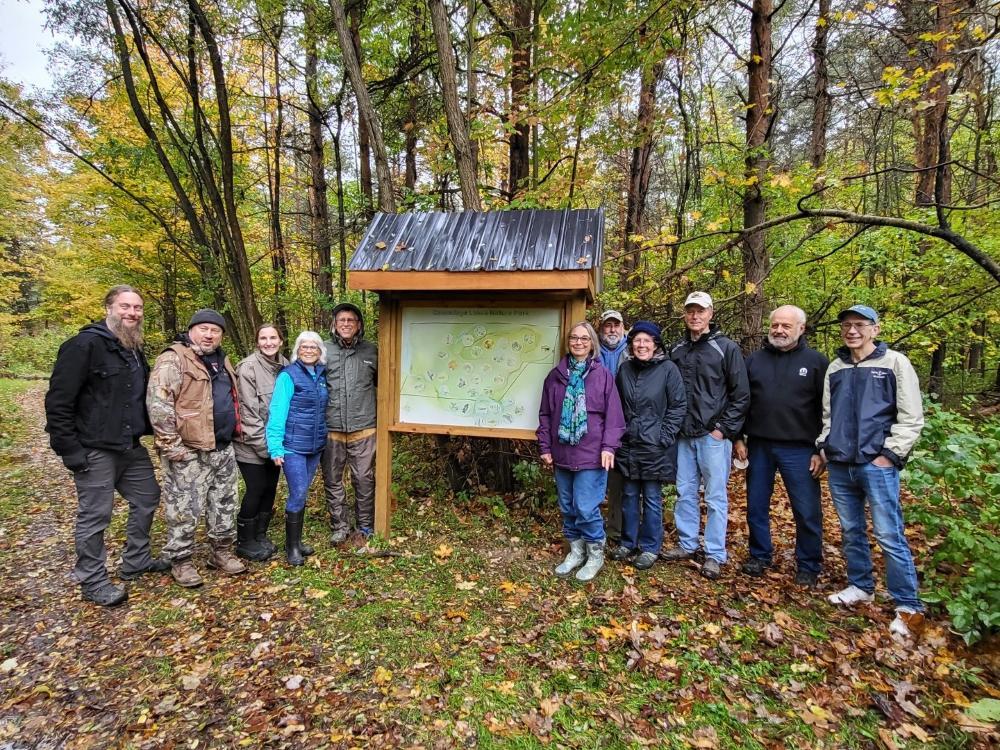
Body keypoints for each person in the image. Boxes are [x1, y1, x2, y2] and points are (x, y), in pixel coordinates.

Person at [44, 285, 167, 607]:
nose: (132, 313)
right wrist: (68, 449)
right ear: (108, 308)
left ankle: (136, 560)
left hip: (129, 445)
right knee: (96, 515)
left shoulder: (133, 349)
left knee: (147, 497)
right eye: (125, 306)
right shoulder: (83, 345)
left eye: (137, 308)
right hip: (94, 447)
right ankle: (92, 579)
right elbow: (58, 402)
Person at [818, 305, 925, 638]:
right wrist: (824, 445)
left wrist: (889, 455)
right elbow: (828, 415)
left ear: (875, 329)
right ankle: (860, 585)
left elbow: (911, 418)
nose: (852, 331)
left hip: (876, 463)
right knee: (851, 530)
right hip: (840, 464)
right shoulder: (835, 367)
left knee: (889, 534)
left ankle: (909, 607)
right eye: (847, 325)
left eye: (860, 325)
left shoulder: (894, 363)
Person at [147, 309, 246, 587]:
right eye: (203, 328)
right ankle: (181, 560)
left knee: (224, 503)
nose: (209, 334)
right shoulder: (173, 359)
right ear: (191, 330)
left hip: (222, 447)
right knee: (185, 508)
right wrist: (172, 447)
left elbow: (230, 400)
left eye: (215, 330)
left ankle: (221, 552)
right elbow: (159, 405)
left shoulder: (223, 361)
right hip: (189, 450)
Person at [734, 305, 828, 587]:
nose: (779, 330)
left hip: (800, 448)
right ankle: (760, 555)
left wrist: (821, 449)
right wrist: (738, 436)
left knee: (806, 509)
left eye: (786, 326)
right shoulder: (754, 361)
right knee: (756, 506)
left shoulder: (816, 362)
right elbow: (742, 401)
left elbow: (828, 409)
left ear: (801, 328)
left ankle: (809, 564)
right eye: (775, 325)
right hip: (760, 445)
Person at [663, 291, 750, 579]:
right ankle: (687, 544)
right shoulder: (677, 349)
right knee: (685, 492)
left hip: (713, 437)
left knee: (715, 497)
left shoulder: (726, 348)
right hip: (683, 436)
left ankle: (714, 553)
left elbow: (741, 395)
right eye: (690, 310)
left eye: (700, 311)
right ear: (685, 314)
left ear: (711, 313)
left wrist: (723, 430)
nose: (695, 316)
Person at [537, 321, 625, 582]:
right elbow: (545, 414)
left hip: (592, 453)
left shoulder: (603, 376)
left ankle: (595, 554)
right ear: (568, 342)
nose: (578, 343)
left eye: (584, 339)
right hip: (562, 452)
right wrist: (544, 446)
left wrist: (609, 447)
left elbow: (615, 417)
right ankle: (576, 552)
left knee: (586, 507)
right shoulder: (555, 376)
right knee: (567, 506)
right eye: (574, 338)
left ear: (592, 344)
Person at [609, 321, 686, 570]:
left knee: (652, 497)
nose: (641, 345)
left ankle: (650, 547)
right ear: (631, 344)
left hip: (655, 446)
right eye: (637, 341)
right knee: (629, 494)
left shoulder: (668, 370)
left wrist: (664, 437)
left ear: (655, 344)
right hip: (629, 444)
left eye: (646, 341)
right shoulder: (625, 370)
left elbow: (677, 406)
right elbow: (617, 406)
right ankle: (627, 542)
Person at [266, 332, 328, 566]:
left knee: (303, 492)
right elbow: (277, 411)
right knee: (298, 492)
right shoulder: (288, 375)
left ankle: (298, 542)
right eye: (304, 346)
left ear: (320, 350)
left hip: (315, 446)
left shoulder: (321, 375)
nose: (309, 350)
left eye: (314, 346)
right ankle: (291, 547)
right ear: (297, 350)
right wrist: (275, 447)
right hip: (293, 446)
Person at [321, 302, 378, 545]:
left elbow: (384, 384)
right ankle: (340, 526)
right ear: (334, 324)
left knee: (363, 478)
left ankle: (364, 525)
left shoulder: (371, 351)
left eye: (351, 320)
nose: (346, 324)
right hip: (331, 427)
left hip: (364, 426)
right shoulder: (323, 351)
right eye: (341, 320)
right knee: (333, 479)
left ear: (359, 325)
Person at [233, 324, 289, 561]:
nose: (268, 342)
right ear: (257, 342)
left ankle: (260, 535)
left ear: (281, 340)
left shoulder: (286, 366)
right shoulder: (248, 368)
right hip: (251, 443)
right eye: (263, 338)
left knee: (270, 489)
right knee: (255, 489)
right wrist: (266, 448)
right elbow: (248, 412)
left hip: (276, 443)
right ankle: (245, 541)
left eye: (273, 338)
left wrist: (278, 445)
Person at [597, 309, 628, 544]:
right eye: (608, 325)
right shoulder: (592, 351)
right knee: (597, 478)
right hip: (597, 425)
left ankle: (618, 530)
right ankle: (595, 529)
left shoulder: (634, 349)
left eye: (616, 325)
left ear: (623, 327)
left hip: (626, 426)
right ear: (601, 328)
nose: (612, 330)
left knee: (621, 482)